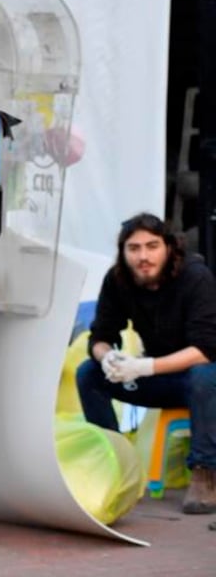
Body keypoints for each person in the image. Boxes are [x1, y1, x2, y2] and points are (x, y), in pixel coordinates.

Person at [76, 212, 216, 514]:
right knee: (89, 373)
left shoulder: (195, 276)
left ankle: (205, 474)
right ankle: (112, 464)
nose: (143, 256)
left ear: (168, 247)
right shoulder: (118, 280)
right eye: (134, 248)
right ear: (123, 252)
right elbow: (99, 338)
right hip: (161, 379)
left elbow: (206, 349)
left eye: (152, 246)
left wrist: (145, 366)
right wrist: (108, 357)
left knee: (204, 374)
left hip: (202, 379)